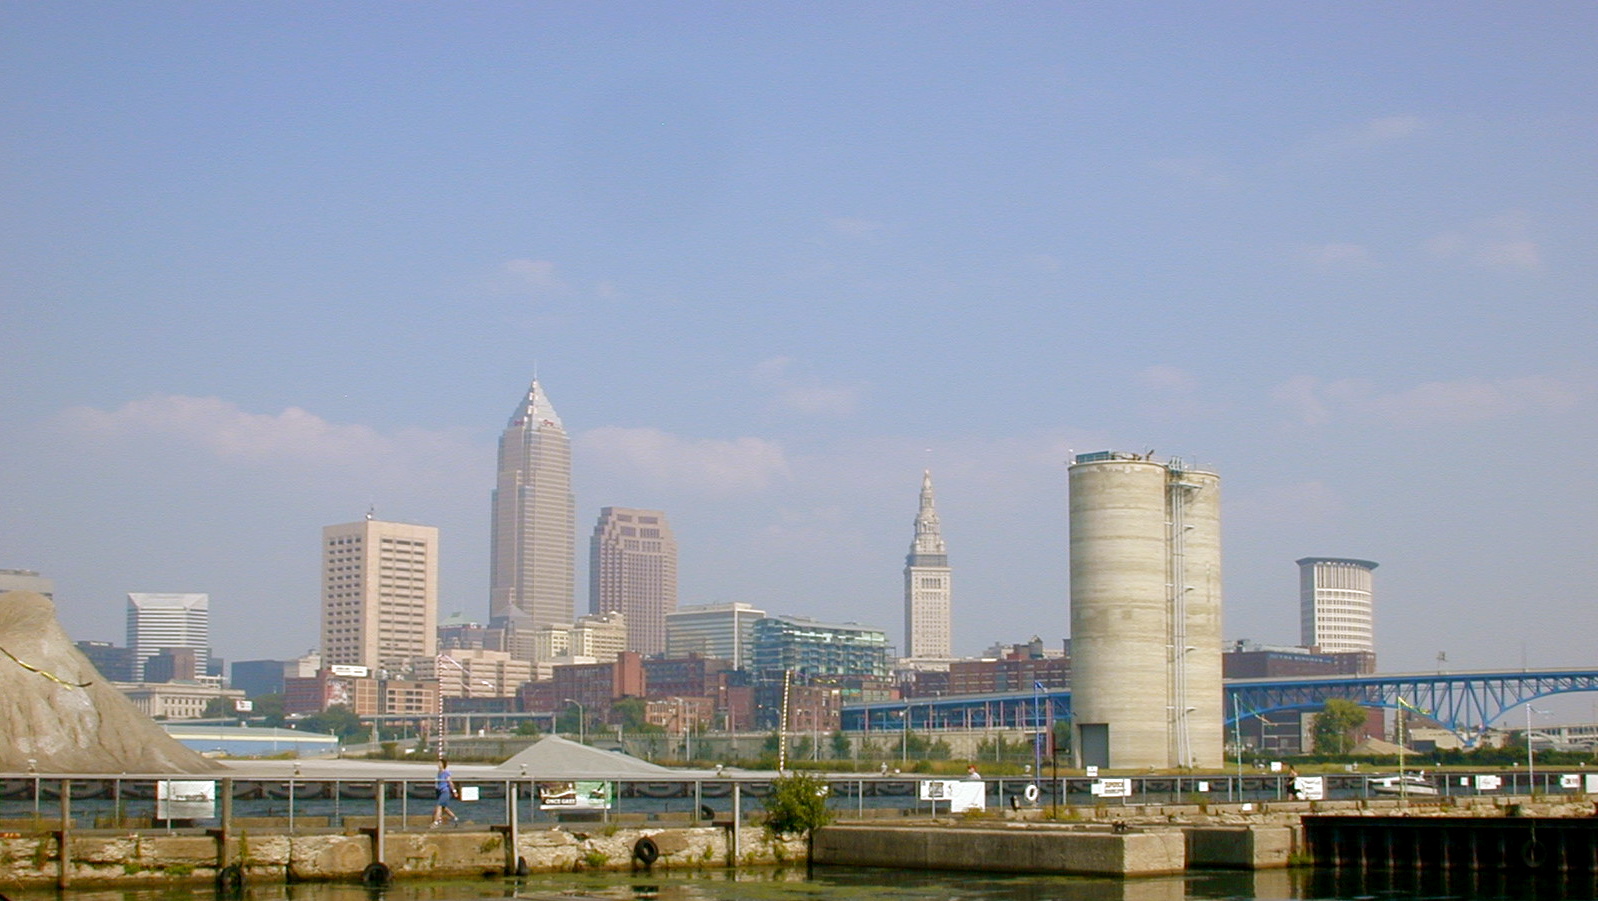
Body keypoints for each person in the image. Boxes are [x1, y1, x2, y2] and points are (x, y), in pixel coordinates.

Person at [432, 757, 458, 827]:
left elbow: (450, 782)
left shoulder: (446, 773)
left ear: (443, 764)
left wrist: (454, 791)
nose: (438, 765)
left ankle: (436, 822)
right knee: (444, 808)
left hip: (445, 792)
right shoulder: (439, 773)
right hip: (439, 792)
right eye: (438, 763)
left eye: (440, 763)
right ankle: (454, 818)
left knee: (439, 807)